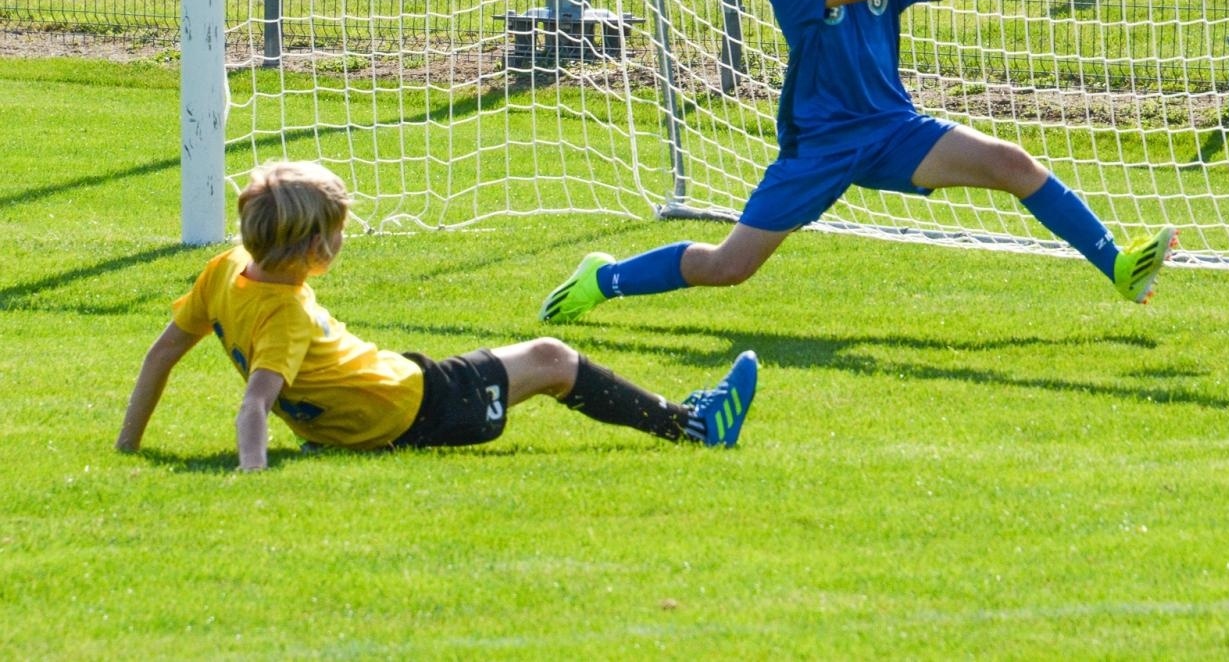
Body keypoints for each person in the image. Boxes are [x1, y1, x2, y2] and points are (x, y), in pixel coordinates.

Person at [538, 0, 1177, 327]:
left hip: (893, 130)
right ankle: (603, 278)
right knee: (729, 266)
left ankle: (1119, 267)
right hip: (820, 148)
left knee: (1011, 163)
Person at [116, 161, 758, 471]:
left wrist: (128, 448)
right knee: (552, 358)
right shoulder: (288, 315)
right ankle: (696, 428)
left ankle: (689, 422)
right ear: (315, 250)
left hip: (370, 410)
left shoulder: (224, 270)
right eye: (339, 234)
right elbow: (254, 405)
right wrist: (252, 480)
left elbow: (159, 355)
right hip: (417, 409)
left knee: (512, 360)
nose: (343, 242)